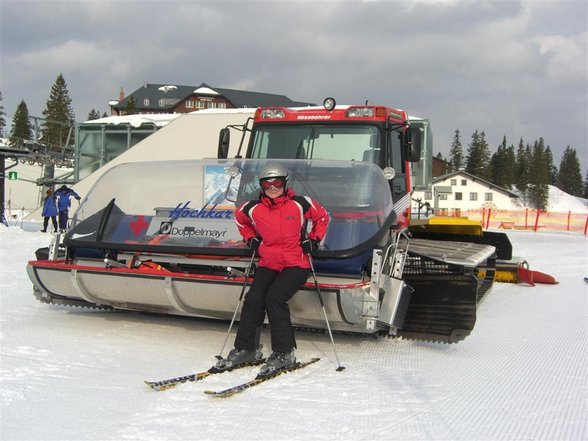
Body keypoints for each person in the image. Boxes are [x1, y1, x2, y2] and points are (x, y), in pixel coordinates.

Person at [216, 163, 329, 376]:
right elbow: (240, 220)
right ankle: (247, 349)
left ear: (285, 183)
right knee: (254, 299)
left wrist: (313, 240)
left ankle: (284, 352)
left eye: (277, 182)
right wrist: (251, 239)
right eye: (267, 184)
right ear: (261, 186)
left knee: (275, 298)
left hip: (296, 263)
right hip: (269, 262)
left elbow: (322, 217)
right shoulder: (252, 207)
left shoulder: (300, 203)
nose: (272, 187)